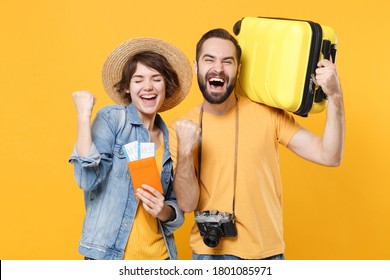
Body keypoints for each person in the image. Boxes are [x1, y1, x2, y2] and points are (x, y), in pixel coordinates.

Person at [169, 28, 345, 260]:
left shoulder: (267, 113)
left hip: (266, 254)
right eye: (209, 59)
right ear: (196, 67)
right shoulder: (181, 127)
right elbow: (187, 203)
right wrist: (185, 149)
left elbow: (329, 155)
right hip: (208, 254)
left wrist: (335, 95)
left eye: (227, 61)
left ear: (238, 70)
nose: (218, 68)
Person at [69, 38, 192, 260]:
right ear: (127, 87)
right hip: (109, 257)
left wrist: (162, 210)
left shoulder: (172, 136)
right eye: (138, 80)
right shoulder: (113, 119)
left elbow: (177, 206)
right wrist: (82, 116)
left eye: (157, 79)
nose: (148, 87)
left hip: (161, 258)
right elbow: (86, 180)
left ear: (166, 87)